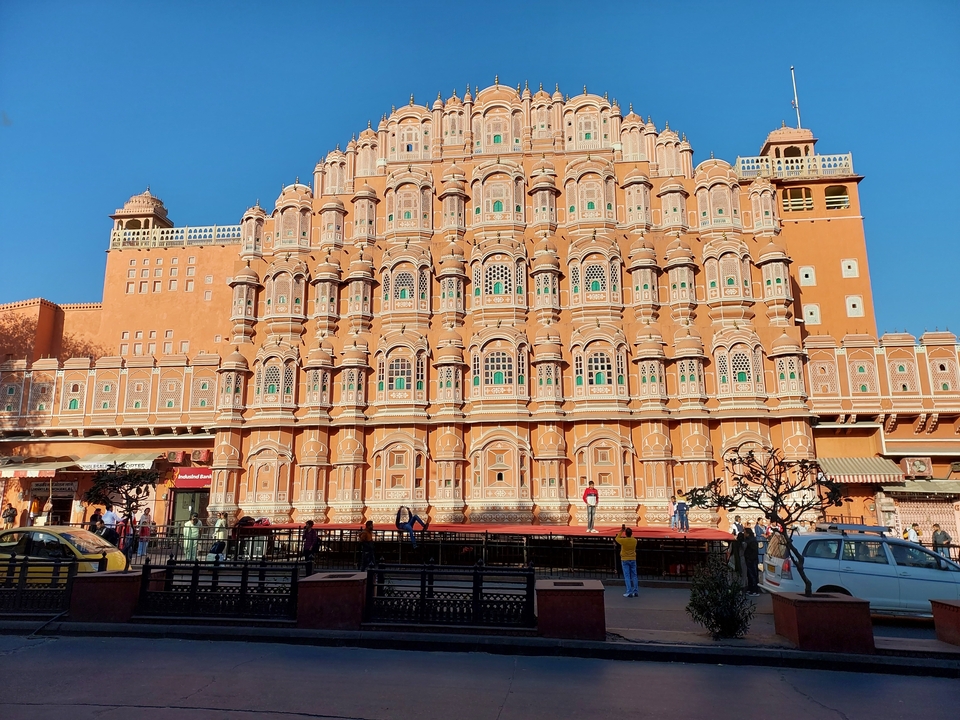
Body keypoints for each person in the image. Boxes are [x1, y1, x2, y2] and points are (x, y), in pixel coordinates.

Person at [615, 525, 638, 598]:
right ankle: (635, 591)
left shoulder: (623, 541)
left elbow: (617, 538)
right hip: (633, 558)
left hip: (625, 559)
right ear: (631, 533)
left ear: (625, 534)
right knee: (634, 575)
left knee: (627, 576)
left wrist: (621, 530)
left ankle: (629, 591)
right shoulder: (634, 540)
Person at [743, 527, 760, 595]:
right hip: (750, 559)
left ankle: (754, 590)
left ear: (747, 533)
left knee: (752, 575)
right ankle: (750, 588)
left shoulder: (752, 541)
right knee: (749, 575)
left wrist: (750, 558)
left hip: (751, 560)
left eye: (745, 532)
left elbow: (754, 552)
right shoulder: (750, 540)